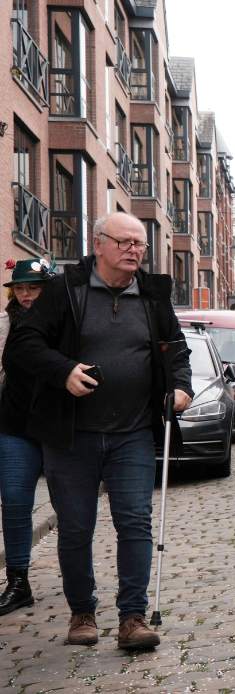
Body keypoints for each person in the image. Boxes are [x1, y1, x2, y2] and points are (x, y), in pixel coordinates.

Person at [5, 212, 192, 650]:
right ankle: (82, 612)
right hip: (72, 435)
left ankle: (132, 617)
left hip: (132, 432)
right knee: (75, 527)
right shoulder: (63, 290)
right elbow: (24, 346)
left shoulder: (152, 294)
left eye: (140, 244)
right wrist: (64, 370)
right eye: (125, 242)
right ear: (99, 244)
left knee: (135, 522)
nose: (134, 250)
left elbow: (175, 350)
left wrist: (180, 388)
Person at [0, 257, 56, 616]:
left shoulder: (65, 323)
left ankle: (80, 580)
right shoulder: (5, 324)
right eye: (19, 288)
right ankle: (18, 581)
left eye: (32, 287)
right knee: (16, 499)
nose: (25, 294)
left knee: (72, 505)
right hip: (15, 424)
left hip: (59, 425)